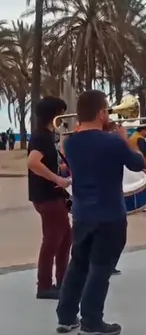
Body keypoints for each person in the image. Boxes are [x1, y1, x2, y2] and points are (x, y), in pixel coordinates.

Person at [56, 90, 146, 335]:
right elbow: (138, 164)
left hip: (82, 214)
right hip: (110, 215)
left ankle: (66, 316)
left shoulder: (70, 142)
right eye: (107, 110)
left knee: (78, 265)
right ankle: (91, 321)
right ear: (100, 113)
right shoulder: (113, 141)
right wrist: (124, 139)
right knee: (100, 269)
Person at [26, 96, 72, 300]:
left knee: (64, 237)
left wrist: (60, 169)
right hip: (47, 196)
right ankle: (45, 285)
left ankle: (61, 280)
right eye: (61, 113)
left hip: (50, 195)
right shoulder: (41, 137)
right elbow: (33, 162)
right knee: (54, 240)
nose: (63, 118)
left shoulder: (47, 137)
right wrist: (57, 179)